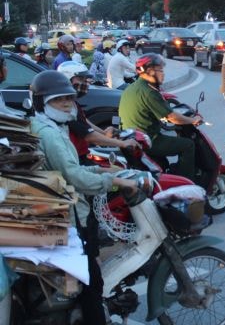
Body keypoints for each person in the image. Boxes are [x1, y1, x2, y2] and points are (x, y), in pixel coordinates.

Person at [30, 70, 141, 325]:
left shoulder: (53, 126)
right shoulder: (50, 134)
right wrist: (114, 180)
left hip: (66, 211)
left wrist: (104, 170)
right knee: (92, 283)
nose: (67, 104)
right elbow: (74, 177)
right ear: (41, 103)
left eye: (69, 98)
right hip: (69, 218)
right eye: (59, 100)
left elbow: (74, 168)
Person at [119, 53, 203, 181]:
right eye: (160, 70)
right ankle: (186, 183)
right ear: (149, 71)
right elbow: (172, 117)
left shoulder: (133, 87)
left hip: (131, 137)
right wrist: (193, 120)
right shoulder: (149, 92)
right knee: (188, 145)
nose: (163, 74)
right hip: (148, 140)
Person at [57, 61, 140, 164]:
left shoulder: (72, 103)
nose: (85, 83)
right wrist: (122, 144)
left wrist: (104, 133)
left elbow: (84, 122)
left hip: (80, 154)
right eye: (81, 79)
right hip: (76, 160)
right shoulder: (65, 108)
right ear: (67, 80)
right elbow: (90, 136)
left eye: (85, 79)